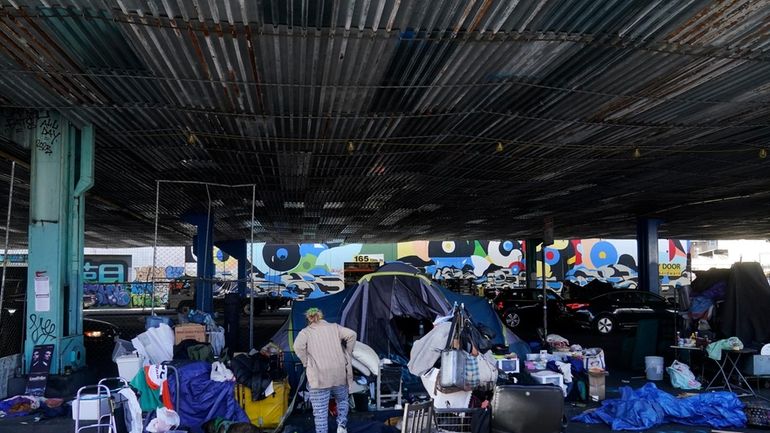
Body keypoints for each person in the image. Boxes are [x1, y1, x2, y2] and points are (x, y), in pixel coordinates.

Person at [293, 308, 356, 433]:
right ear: (321, 317)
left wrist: (306, 362)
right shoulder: (335, 327)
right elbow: (352, 334)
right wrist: (347, 353)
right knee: (342, 400)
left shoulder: (305, 332)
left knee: (320, 412)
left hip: (318, 377)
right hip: (338, 373)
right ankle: (341, 426)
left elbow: (297, 347)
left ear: (308, 320)